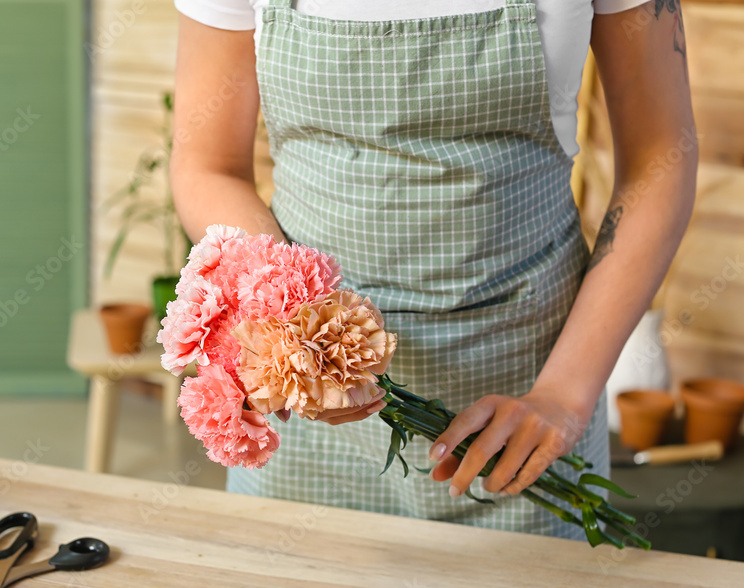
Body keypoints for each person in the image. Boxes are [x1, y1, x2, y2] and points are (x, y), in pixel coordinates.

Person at [169, 0, 696, 539]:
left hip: (523, 407)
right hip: (306, 401)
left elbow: (662, 160)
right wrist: (295, 339)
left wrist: (564, 395)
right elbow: (208, 165)